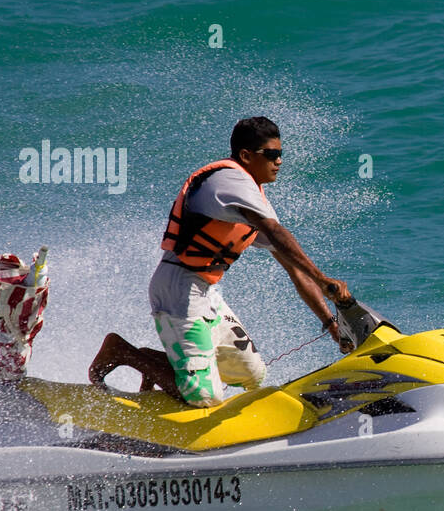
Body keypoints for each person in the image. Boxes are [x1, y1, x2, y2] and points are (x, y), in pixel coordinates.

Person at [89, 116, 351, 407]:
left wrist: (330, 323)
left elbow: (293, 268)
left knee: (252, 374)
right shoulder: (229, 180)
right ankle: (123, 352)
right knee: (206, 396)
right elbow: (277, 234)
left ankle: (170, 367)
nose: (279, 161)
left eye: (281, 154)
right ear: (246, 156)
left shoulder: (254, 198)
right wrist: (322, 277)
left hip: (206, 294)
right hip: (178, 290)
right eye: (272, 154)